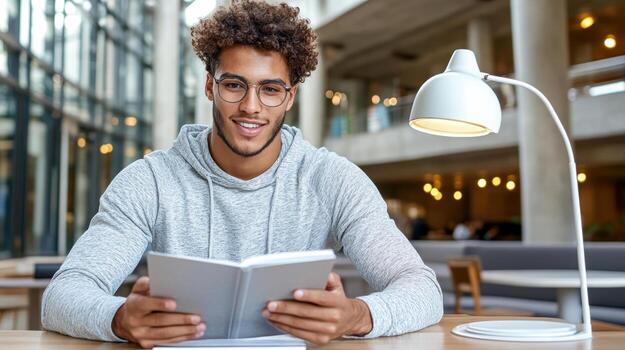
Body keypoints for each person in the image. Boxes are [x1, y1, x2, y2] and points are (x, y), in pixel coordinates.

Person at [41, 1, 442, 348]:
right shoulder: (149, 181)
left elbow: (422, 289)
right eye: (234, 85)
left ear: (290, 96)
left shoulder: (332, 180)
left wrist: (357, 315)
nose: (251, 106)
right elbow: (63, 294)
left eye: (270, 90)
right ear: (209, 87)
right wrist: (119, 319)